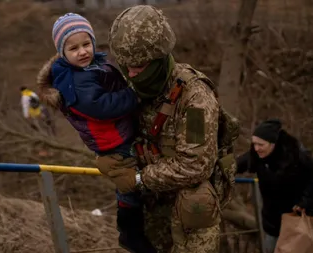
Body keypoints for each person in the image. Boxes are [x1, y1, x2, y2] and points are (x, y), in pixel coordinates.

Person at [94, 5, 239, 253]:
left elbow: (195, 165)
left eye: (139, 66)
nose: (131, 73)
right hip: (151, 210)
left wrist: (138, 179)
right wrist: (111, 156)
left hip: (189, 218)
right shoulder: (134, 86)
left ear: (159, 58)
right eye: (126, 65)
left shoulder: (195, 98)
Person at [36, 13, 155, 253]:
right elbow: (103, 108)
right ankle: (131, 233)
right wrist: (134, 95)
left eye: (86, 44)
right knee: (129, 186)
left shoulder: (92, 66)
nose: (82, 51)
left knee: (137, 181)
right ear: (62, 52)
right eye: (74, 48)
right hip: (112, 142)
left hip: (121, 134)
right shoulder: (73, 82)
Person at [236, 119, 313, 253]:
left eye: (261, 144)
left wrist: (305, 200)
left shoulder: (295, 155)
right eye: (254, 144)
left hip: (297, 216)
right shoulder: (255, 155)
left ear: (273, 144)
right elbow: (235, 165)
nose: (256, 148)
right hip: (273, 219)